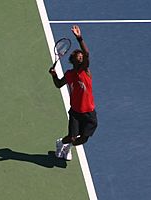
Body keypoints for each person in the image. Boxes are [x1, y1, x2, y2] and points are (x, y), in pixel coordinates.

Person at [49, 25, 98, 160]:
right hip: (76, 112)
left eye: (82, 57)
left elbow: (87, 53)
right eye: (79, 57)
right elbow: (59, 84)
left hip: (89, 112)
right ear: (74, 60)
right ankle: (61, 143)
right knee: (71, 136)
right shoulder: (70, 74)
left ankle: (68, 147)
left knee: (82, 140)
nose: (82, 58)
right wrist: (54, 75)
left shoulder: (85, 71)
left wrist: (79, 38)